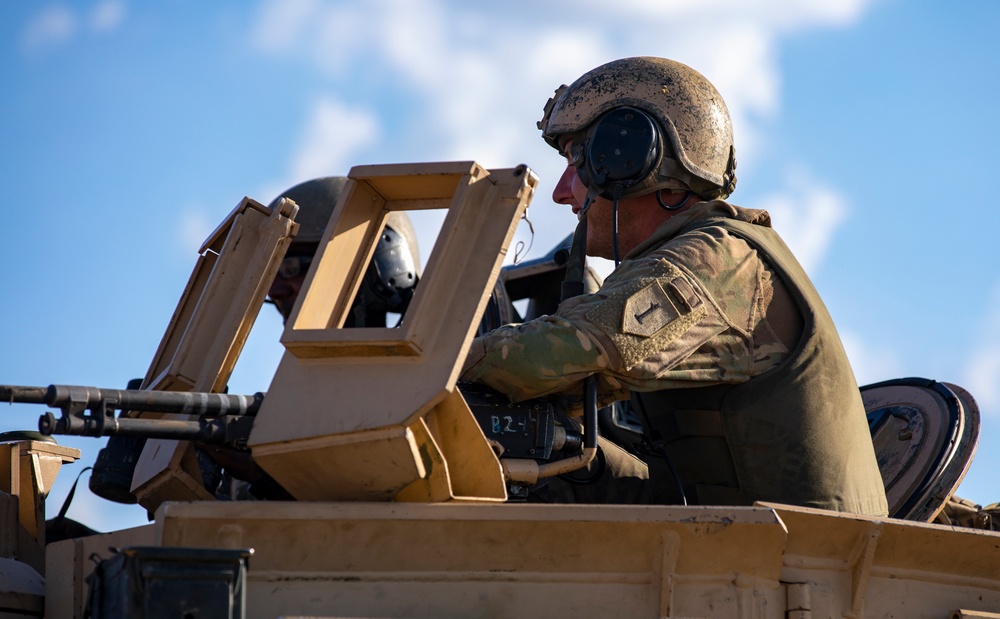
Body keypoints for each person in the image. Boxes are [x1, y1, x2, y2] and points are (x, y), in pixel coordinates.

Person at [461, 56, 888, 516]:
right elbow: (568, 388)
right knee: (543, 449)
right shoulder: (681, 257)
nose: (562, 192)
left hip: (802, 564)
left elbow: (560, 353)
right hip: (738, 543)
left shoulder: (717, 261)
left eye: (574, 162)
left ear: (627, 160)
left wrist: (431, 370)